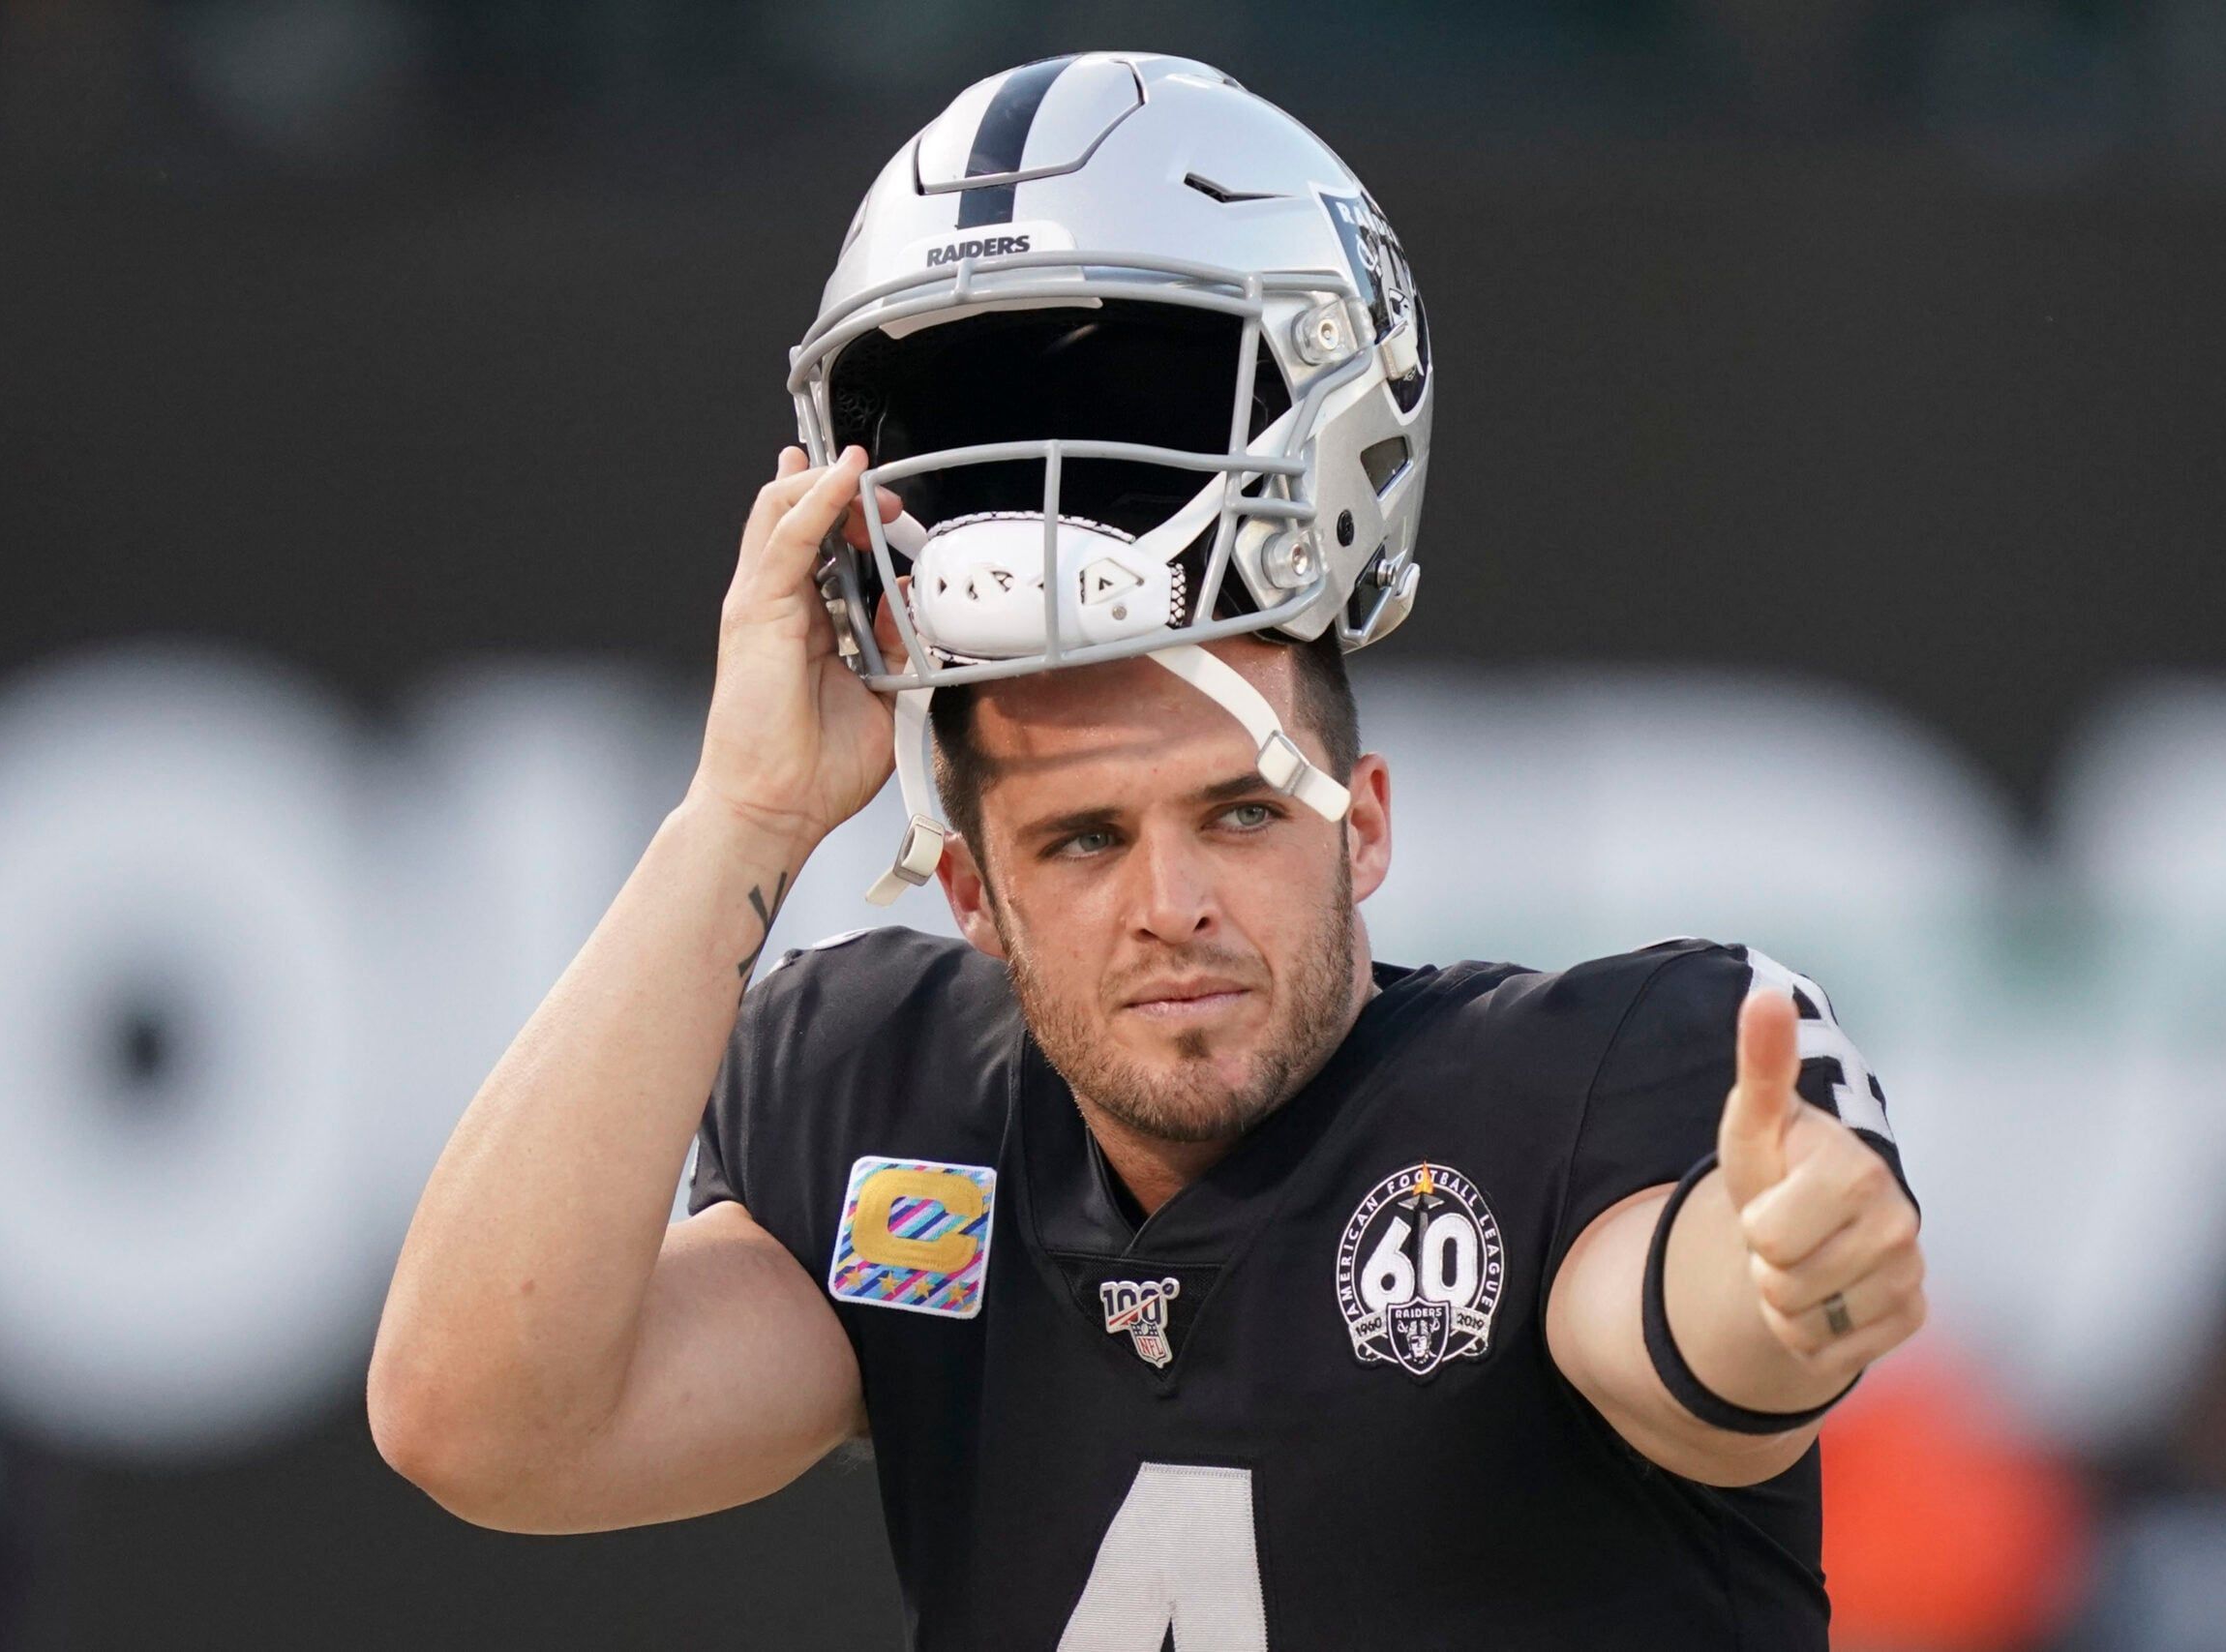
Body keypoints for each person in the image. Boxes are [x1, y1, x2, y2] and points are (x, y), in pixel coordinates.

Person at [369, 52, 1928, 1650]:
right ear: (970, 891)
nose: (1172, 905)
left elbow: (1687, 1346)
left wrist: (1788, 1296)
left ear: (1363, 823)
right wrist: (737, 821)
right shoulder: (902, 1120)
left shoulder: (1577, 1087)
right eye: (1084, 840)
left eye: (1240, 812)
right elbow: (479, 1422)